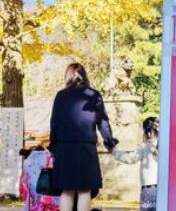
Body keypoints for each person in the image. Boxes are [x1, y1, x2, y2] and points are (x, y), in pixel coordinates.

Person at [49, 63, 119, 211]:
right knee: (84, 190)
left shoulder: (60, 96)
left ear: (68, 75)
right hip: (85, 148)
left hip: (64, 148)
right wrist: (110, 142)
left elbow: (54, 123)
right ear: (85, 75)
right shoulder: (93, 95)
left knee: (66, 190)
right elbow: (103, 122)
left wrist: (53, 147)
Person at [112, 117, 159, 211]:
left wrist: (114, 152)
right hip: (164, 187)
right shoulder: (165, 145)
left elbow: (130, 159)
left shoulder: (143, 147)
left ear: (147, 132)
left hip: (149, 188)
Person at [19, 145, 60, 211]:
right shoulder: (50, 158)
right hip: (51, 190)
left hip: (35, 190)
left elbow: (23, 182)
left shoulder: (27, 163)